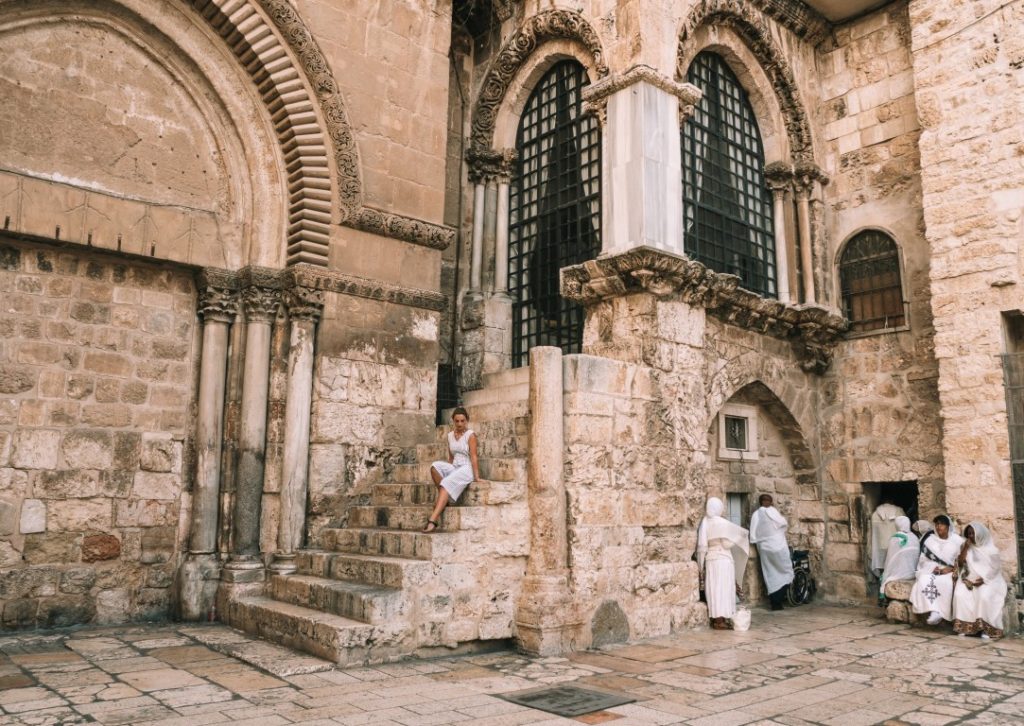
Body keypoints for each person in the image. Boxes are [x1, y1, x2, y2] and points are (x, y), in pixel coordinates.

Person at [696, 497, 749, 629]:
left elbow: (702, 546)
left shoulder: (705, 522)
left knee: (714, 589)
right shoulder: (722, 522)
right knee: (724, 589)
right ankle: (721, 620)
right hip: (723, 559)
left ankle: (717, 619)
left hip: (710, 559)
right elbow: (726, 544)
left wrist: (700, 565)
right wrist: (738, 537)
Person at [424, 407, 479, 533]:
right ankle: (445, 498)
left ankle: (433, 519)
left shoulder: (470, 435)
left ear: (467, 421)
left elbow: (474, 457)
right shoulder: (450, 436)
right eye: (457, 421)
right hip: (455, 466)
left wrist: (477, 477)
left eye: (462, 421)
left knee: (446, 484)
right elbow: (451, 457)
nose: (460, 424)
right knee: (435, 466)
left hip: (466, 468)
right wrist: (449, 471)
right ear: (453, 421)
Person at [953, 522, 1007, 639]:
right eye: (969, 534)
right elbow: (960, 563)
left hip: (989, 580)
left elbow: (995, 569)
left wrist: (984, 580)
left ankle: (986, 629)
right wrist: (966, 548)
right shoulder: (965, 546)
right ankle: (965, 627)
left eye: (973, 533)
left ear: (980, 534)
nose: (971, 536)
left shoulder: (991, 550)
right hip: (969, 579)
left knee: (983, 596)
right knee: (960, 594)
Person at [909, 514, 965, 625]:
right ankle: (933, 610)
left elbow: (962, 560)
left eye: (942, 524)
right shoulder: (929, 540)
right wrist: (934, 568)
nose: (939, 527)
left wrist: (951, 569)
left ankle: (940, 612)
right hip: (931, 570)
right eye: (937, 524)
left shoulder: (957, 541)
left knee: (945, 582)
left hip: (950, 571)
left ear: (948, 526)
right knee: (924, 580)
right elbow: (923, 560)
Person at [749, 494, 794, 611]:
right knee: (784, 571)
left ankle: (775, 603)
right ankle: (777, 602)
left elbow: (753, 535)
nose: (767, 502)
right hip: (778, 546)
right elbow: (782, 523)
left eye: (768, 500)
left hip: (764, 548)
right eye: (766, 500)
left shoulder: (756, 514)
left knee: (770, 573)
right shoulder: (773, 511)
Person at [880, 515, 920, 595]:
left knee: (883, 576)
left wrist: (886, 573)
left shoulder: (895, 538)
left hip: (898, 574)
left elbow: (889, 559)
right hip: (912, 573)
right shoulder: (914, 537)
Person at [870, 500, 907, 575]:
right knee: (894, 566)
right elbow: (905, 526)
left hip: (880, 545)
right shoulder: (899, 511)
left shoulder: (875, 514)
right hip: (895, 545)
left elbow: (872, 532)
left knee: (882, 566)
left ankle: (882, 580)